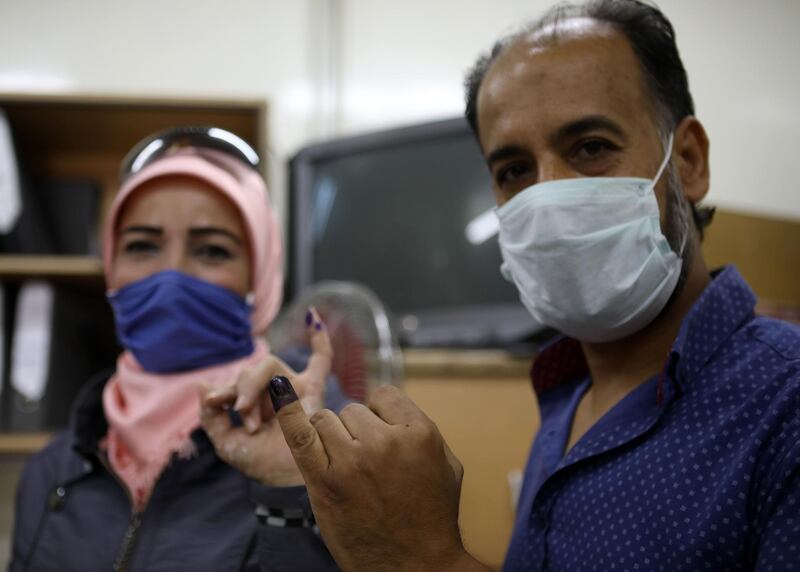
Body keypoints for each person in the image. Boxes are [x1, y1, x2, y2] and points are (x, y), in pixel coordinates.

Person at [204, 1, 800, 570]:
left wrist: (429, 559)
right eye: (514, 170)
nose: (547, 196)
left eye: (591, 148)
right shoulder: (564, 394)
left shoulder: (784, 406)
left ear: (689, 161)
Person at [9, 126, 344, 571]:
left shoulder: (325, 443)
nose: (170, 276)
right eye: (142, 246)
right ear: (111, 269)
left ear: (259, 278)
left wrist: (289, 486)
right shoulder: (50, 470)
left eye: (211, 251)